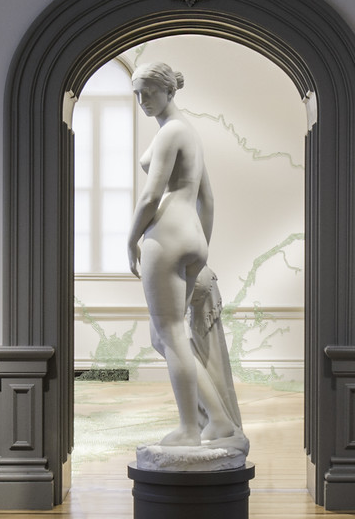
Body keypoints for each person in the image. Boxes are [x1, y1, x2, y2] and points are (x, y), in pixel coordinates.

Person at [127, 62, 244, 450]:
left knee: (170, 335)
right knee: (165, 337)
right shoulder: (189, 132)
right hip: (190, 236)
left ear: (169, 91)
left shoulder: (170, 132)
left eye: (149, 92)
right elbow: (207, 198)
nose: (143, 100)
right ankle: (221, 421)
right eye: (137, 93)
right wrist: (201, 246)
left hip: (168, 236)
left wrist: (131, 239)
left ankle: (189, 429)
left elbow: (150, 196)